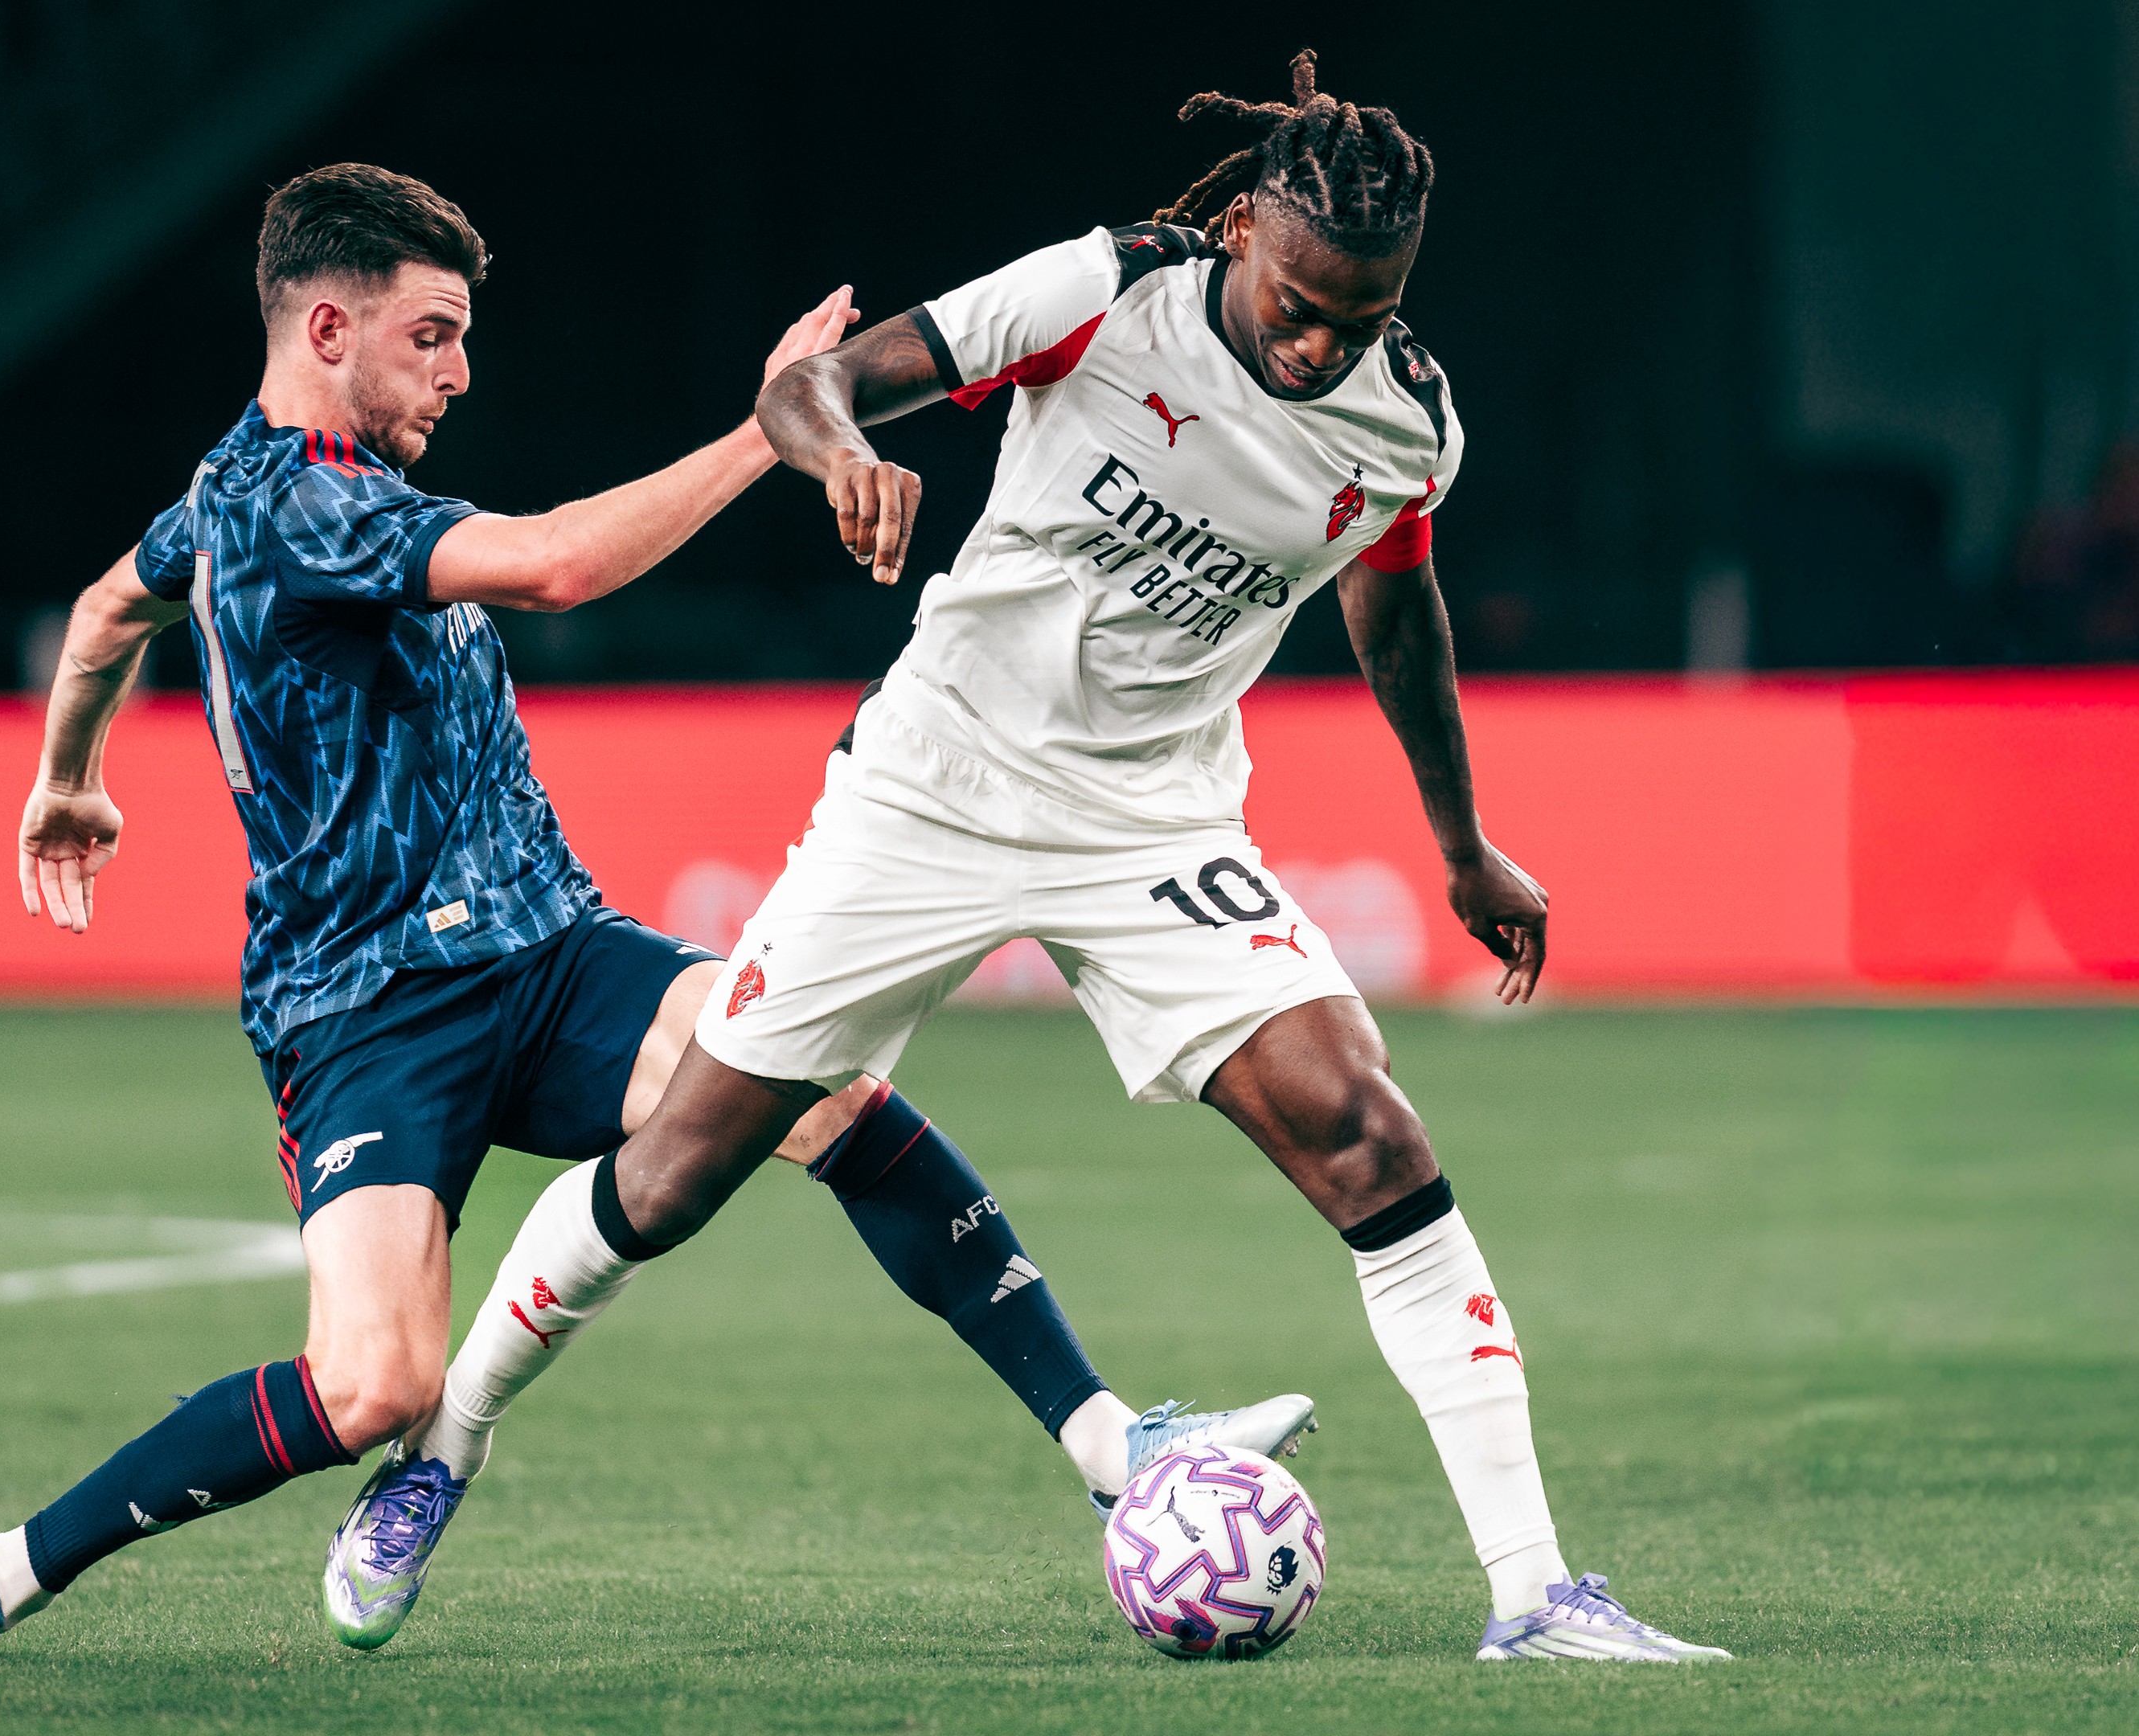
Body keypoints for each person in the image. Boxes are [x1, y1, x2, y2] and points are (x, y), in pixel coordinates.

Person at [0, 163, 1308, 1662]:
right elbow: (557, 566)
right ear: (327, 327)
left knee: (824, 1088)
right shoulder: (289, 504)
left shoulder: (229, 500)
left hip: (549, 954)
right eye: (433, 337)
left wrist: (68, 773)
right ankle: (3, 1570)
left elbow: (105, 612)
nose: (462, 373)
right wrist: (773, 421)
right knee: (368, 1389)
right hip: (364, 1014)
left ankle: (1112, 1439)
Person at [443, 56, 1729, 1663]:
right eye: (1304, 298)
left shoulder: (1408, 425)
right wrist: (839, 444)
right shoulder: (1103, 293)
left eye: (1364, 311)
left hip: (1152, 820)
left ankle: (1537, 1595)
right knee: (686, 1161)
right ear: (1250, 224)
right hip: (935, 784)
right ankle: (449, 1441)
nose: (1322, 339)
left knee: (1374, 1136)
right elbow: (814, 383)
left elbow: (1391, 601)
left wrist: (1461, 845)